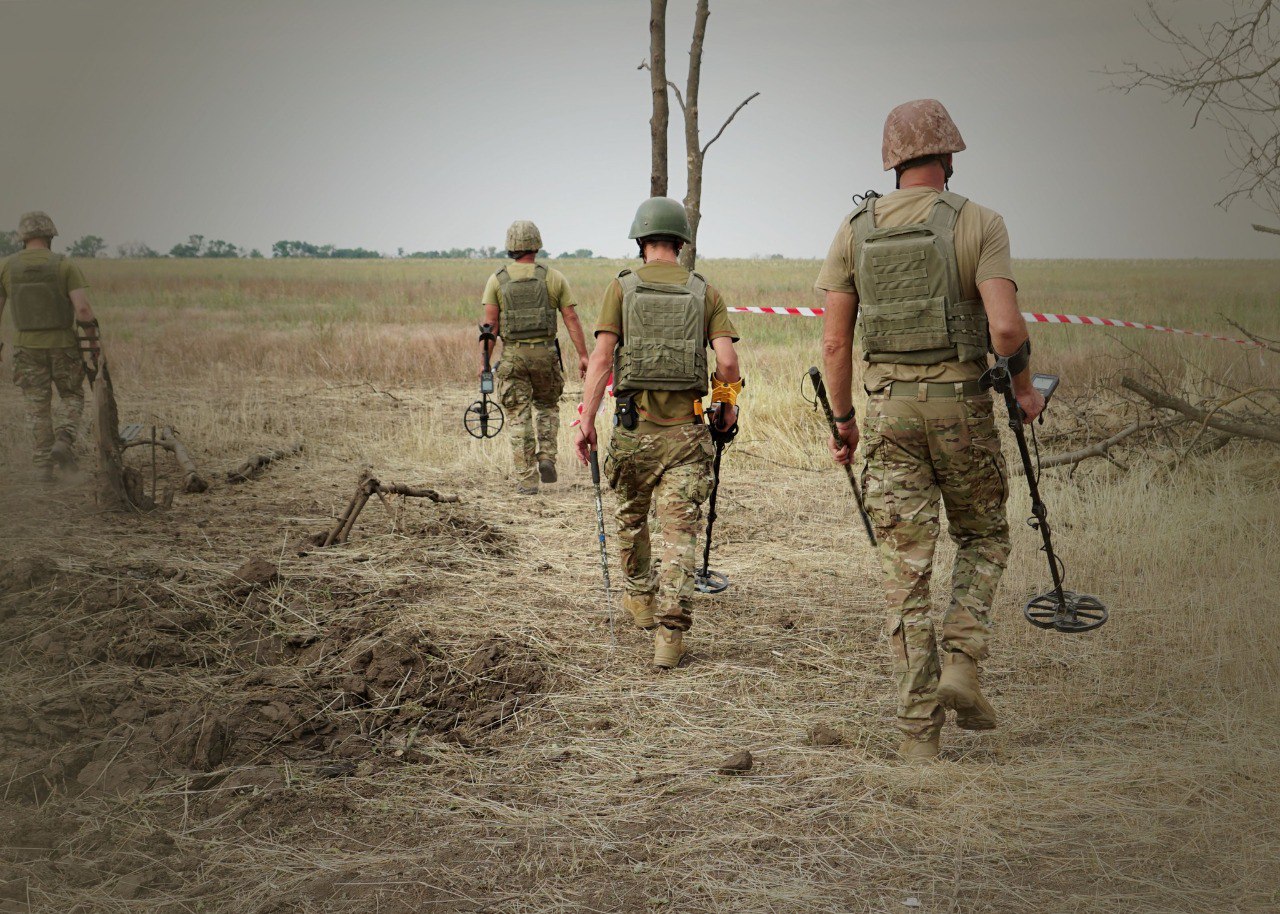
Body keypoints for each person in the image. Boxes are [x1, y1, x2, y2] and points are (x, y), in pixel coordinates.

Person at [815, 99, 1045, 763]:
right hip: (961, 412)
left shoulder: (854, 229)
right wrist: (1025, 391)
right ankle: (963, 663)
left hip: (888, 418)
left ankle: (918, 739)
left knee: (905, 575)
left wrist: (844, 423)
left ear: (892, 162)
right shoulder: (979, 222)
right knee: (983, 534)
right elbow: (1005, 330)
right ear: (948, 155)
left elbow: (834, 343)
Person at [573, 197, 742, 670]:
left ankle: (642, 602)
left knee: (630, 519)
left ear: (641, 239)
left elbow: (603, 358)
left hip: (633, 433)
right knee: (680, 534)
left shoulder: (621, 288)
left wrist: (586, 417)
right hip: (687, 436)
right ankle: (670, 638)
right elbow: (727, 362)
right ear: (681, 241)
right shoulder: (703, 290)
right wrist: (725, 405)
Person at [481, 220, 589, 495]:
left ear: (509, 247)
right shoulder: (553, 277)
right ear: (537, 245)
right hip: (545, 356)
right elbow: (571, 318)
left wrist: (484, 364)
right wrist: (583, 356)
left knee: (518, 416)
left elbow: (490, 327)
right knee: (547, 407)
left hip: (514, 356)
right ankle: (547, 458)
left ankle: (527, 480)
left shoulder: (497, 280)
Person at [0, 211, 100, 482]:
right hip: (63, 346)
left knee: (37, 406)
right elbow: (83, 309)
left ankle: (43, 467)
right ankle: (64, 440)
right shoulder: (64, 265)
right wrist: (92, 342)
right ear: (50, 236)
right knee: (71, 395)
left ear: (23, 238)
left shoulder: (7, 267)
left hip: (25, 348)